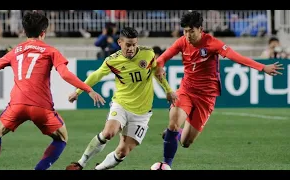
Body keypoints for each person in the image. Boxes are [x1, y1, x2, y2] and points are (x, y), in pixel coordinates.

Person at [0, 11, 105, 170]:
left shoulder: (15, 51)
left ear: (24, 31)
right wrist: (88, 89)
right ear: (43, 32)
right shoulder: (50, 51)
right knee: (61, 138)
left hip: (17, 104)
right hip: (41, 107)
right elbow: (65, 74)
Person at [154, 11, 284, 168]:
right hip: (186, 91)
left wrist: (262, 67)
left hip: (206, 98)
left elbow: (236, 57)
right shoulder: (182, 42)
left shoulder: (212, 43)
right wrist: (159, 66)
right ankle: (166, 164)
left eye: (191, 31)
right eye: (185, 31)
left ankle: (177, 135)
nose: (188, 35)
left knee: (186, 142)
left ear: (200, 29)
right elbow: (162, 57)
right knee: (174, 123)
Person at [65, 27, 177, 170]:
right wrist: (78, 91)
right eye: (128, 45)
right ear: (120, 42)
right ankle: (81, 163)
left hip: (142, 112)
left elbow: (157, 72)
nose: (131, 48)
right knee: (108, 133)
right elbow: (96, 75)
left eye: (134, 44)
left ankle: (99, 168)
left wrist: (168, 90)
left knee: (122, 151)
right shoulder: (112, 61)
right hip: (121, 104)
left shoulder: (148, 54)